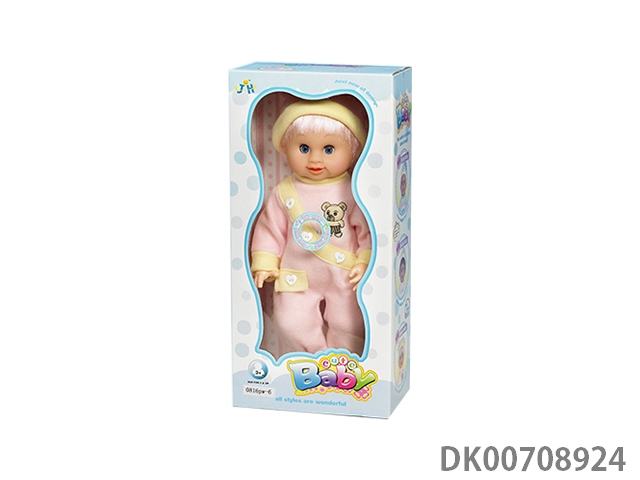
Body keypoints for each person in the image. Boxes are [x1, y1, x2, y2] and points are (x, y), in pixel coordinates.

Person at [251, 99, 371, 356]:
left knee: (350, 324)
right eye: (304, 148)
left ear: (352, 151)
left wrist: (365, 260)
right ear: (286, 149)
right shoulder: (284, 192)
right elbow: (270, 230)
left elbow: (367, 231)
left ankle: (343, 363)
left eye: (329, 149)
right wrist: (265, 261)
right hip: (296, 274)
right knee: (290, 323)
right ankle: (310, 360)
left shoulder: (354, 192)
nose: (315, 159)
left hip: (344, 275)